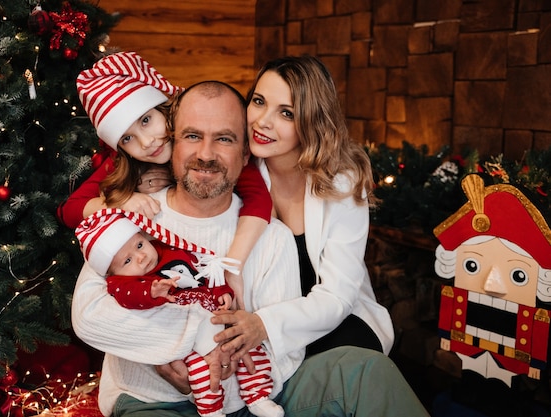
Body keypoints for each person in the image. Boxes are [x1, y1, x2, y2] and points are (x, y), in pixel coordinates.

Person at [71, 79, 429, 417]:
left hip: (254, 401)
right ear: (172, 144)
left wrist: (223, 370)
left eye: (224, 139)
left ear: (246, 155)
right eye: (193, 136)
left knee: (366, 370)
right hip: (154, 401)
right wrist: (173, 351)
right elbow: (88, 317)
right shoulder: (130, 219)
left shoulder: (271, 237)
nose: (206, 154)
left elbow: (285, 355)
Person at [213, 55, 394, 358]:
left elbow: (338, 295)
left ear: (312, 120)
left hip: (335, 319)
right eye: (258, 101)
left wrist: (265, 325)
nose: (262, 121)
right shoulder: (235, 170)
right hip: (256, 322)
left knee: (354, 365)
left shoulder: (342, 183)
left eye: (286, 113)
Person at [59, 51, 273, 307]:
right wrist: (121, 201)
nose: (146, 142)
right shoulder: (124, 162)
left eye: (147, 120)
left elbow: (259, 198)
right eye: (127, 138)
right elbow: (68, 210)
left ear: (166, 110)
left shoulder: (213, 152)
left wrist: (233, 267)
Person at [75, 208, 283, 417]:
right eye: (127, 261)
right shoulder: (122, 283)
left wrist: (223, 292)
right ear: (112, 273)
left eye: (139, 245)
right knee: (202, 373)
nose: (140, 257)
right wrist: (150, 292)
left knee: (252, 352)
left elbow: (204, 274)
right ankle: (212, 411)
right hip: (190, 342)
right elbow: (129, 297)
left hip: (216, 316)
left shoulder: (169, 251)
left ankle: (258, 396)